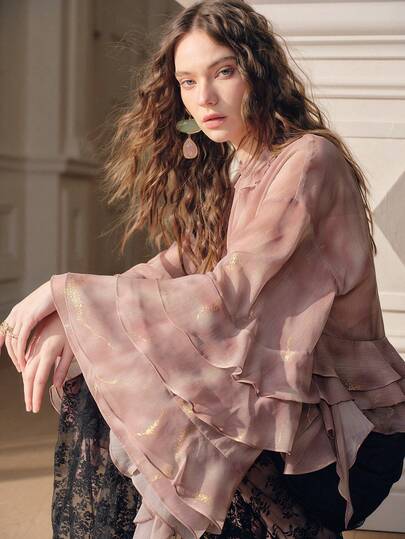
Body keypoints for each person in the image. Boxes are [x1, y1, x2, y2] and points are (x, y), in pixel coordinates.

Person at [1, 1, 404, 537]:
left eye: (224, 72)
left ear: (258, 72)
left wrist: (65, 294)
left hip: (343, 440)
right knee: (108, 375)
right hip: (287, 426)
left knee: (136, 383)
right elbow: (168, 270)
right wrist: (72, 317)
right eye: (188, 82)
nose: (205, 97)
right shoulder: (240, 168)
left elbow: (227, 296)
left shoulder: (308, 159)